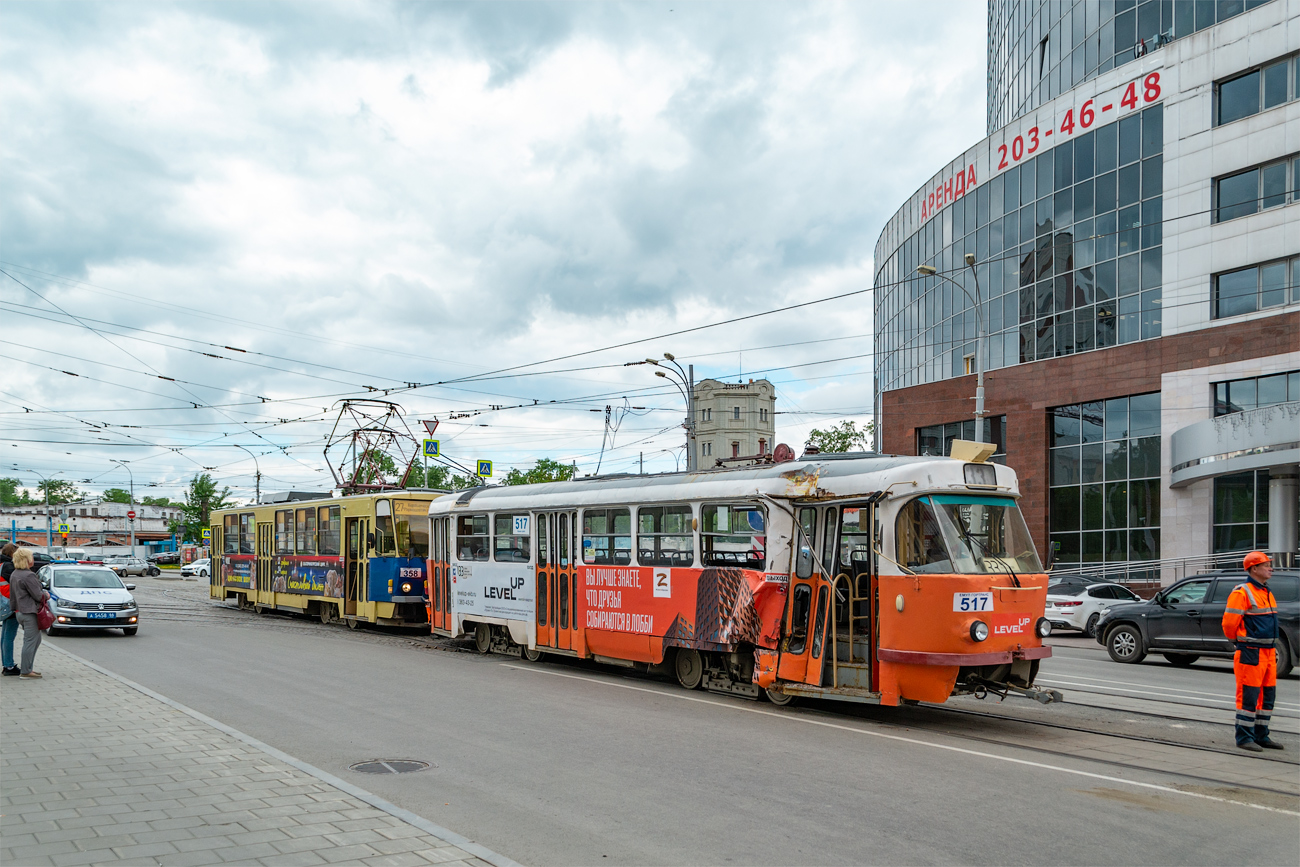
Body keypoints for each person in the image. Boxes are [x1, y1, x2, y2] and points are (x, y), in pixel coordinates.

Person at [1222, 551, 1283, 752]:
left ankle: (1261, 735)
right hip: (1251, 651)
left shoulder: (1266, 591)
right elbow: (1229, 624)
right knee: (1248, 695)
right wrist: (1240, 642)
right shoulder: (1242, 592)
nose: (1270, 568)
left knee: (1267, 696)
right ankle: (1244, 737)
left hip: (1267, 652)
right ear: (1254, 568)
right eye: (1266, 565)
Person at [8, 547, 48, 679]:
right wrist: (46, 594)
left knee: (35, 639)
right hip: (29, 612)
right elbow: (38, 595)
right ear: (27, 560)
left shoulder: (15, 574)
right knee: (30, 641)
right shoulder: (28, 575)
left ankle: (28, 668)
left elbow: (13, 595)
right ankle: (25, 671)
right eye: (31, 557)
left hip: (19, 611)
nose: (33, 560)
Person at [1, 543, 18, 675]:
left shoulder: (1, 565)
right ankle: (9, 666)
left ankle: (7, 664)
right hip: (10, 603)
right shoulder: (9, 566)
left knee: (5, 636)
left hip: (4, 603)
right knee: (9, 636)